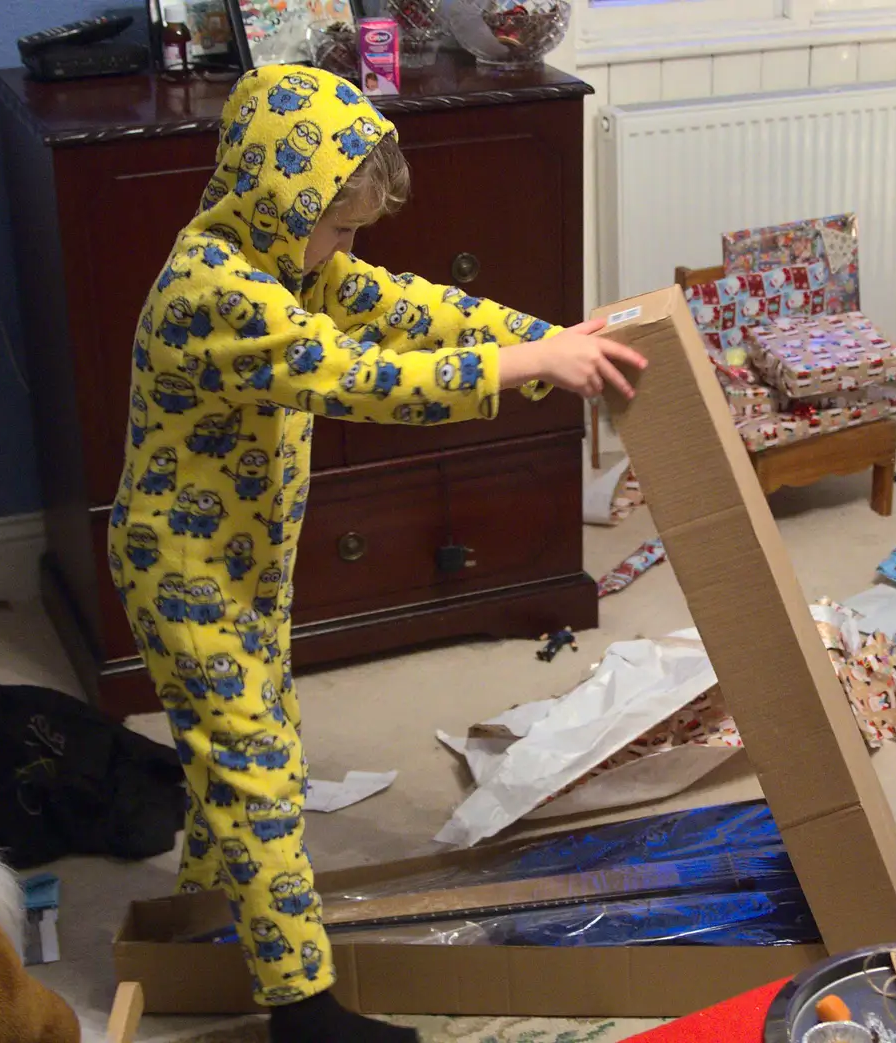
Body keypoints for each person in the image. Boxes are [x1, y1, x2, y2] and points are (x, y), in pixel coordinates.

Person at [108, 64, 642, 1043]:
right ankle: (303, 1015)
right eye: (339, 226)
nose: (347, 251)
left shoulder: (289, 260)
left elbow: (410, 312)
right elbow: (364, 376)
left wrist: (547, 343)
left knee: (241, 748)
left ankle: (194, 926)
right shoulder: (215, 288)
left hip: (243, 561)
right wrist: (526, 366)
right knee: (256, 760)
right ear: (284, 198)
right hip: (184, 571)